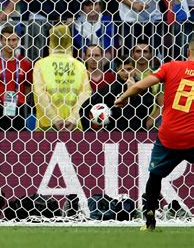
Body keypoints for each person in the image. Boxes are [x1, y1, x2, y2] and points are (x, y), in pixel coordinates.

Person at [114, 39, 194, 231]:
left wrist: (123, 98)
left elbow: (140, 86)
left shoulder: (171, 67)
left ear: (188, 49)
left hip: (169, 137)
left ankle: (150, 219)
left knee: (155, 176)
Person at [32, 24, 92, 131]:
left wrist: (55, 119)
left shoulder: (40, 64)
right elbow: (85, 94)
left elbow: (39, 94)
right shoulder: (79, 65)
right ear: (70, 40)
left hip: (47, 125)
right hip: (73, 125)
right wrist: (72, 118)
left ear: (50, 39)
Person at [0, 25, 33, 131]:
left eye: (14, 40)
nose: (11, 43)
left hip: (17, 110)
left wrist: (21, 100)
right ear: (1, 41)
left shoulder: (25, 64)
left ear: (18, 41)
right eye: (7, 40)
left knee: (18, 145)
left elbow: (28, 87)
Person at [80, 57, 154, 131]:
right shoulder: (111, 88)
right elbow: (84, 108)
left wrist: (132, 92)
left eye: (129, 69)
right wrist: (89, 131)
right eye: (122, 70)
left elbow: (145, 112)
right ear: (117, 71)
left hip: (138, 133)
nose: (126, 73)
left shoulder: (144, 88)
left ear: (135, 70)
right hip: (114, 134)